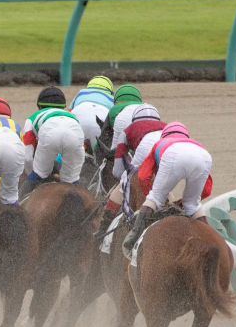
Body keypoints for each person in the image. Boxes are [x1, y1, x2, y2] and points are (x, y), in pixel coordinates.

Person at [122, 121, 213, 251]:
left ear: (164, 135)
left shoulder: (160, 143)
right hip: (204, 157)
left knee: (154, 198)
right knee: (193, 205)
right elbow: (207, 188)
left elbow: (143, 175)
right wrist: (183, 203)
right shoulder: (195, 144)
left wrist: (154, 196)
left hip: (172, 154)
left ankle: (133, 238)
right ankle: (209, 240)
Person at [95, 104, 165, 239]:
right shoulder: (165, 126)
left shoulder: (128, 130)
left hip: (146, 150)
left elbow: (117, 171)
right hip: (170, 148)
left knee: (124, 183)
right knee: (163, 187)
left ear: (135, 120)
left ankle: (103, 230)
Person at [17, 86, 85, 198]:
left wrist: (33, 175)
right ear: (64, 107)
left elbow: (28, 157)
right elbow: (79, 148)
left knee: (38, 173)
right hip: (75, 135)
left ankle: (16, 206)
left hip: (49, 136)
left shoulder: (32, 118)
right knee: (71, 179)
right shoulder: (72, 116)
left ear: (39, 106)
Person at [69, 75, 114, 149]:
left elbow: (69, 112)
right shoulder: (111, 98)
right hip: (100, 126)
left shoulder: (81, 93)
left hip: (77, 123)